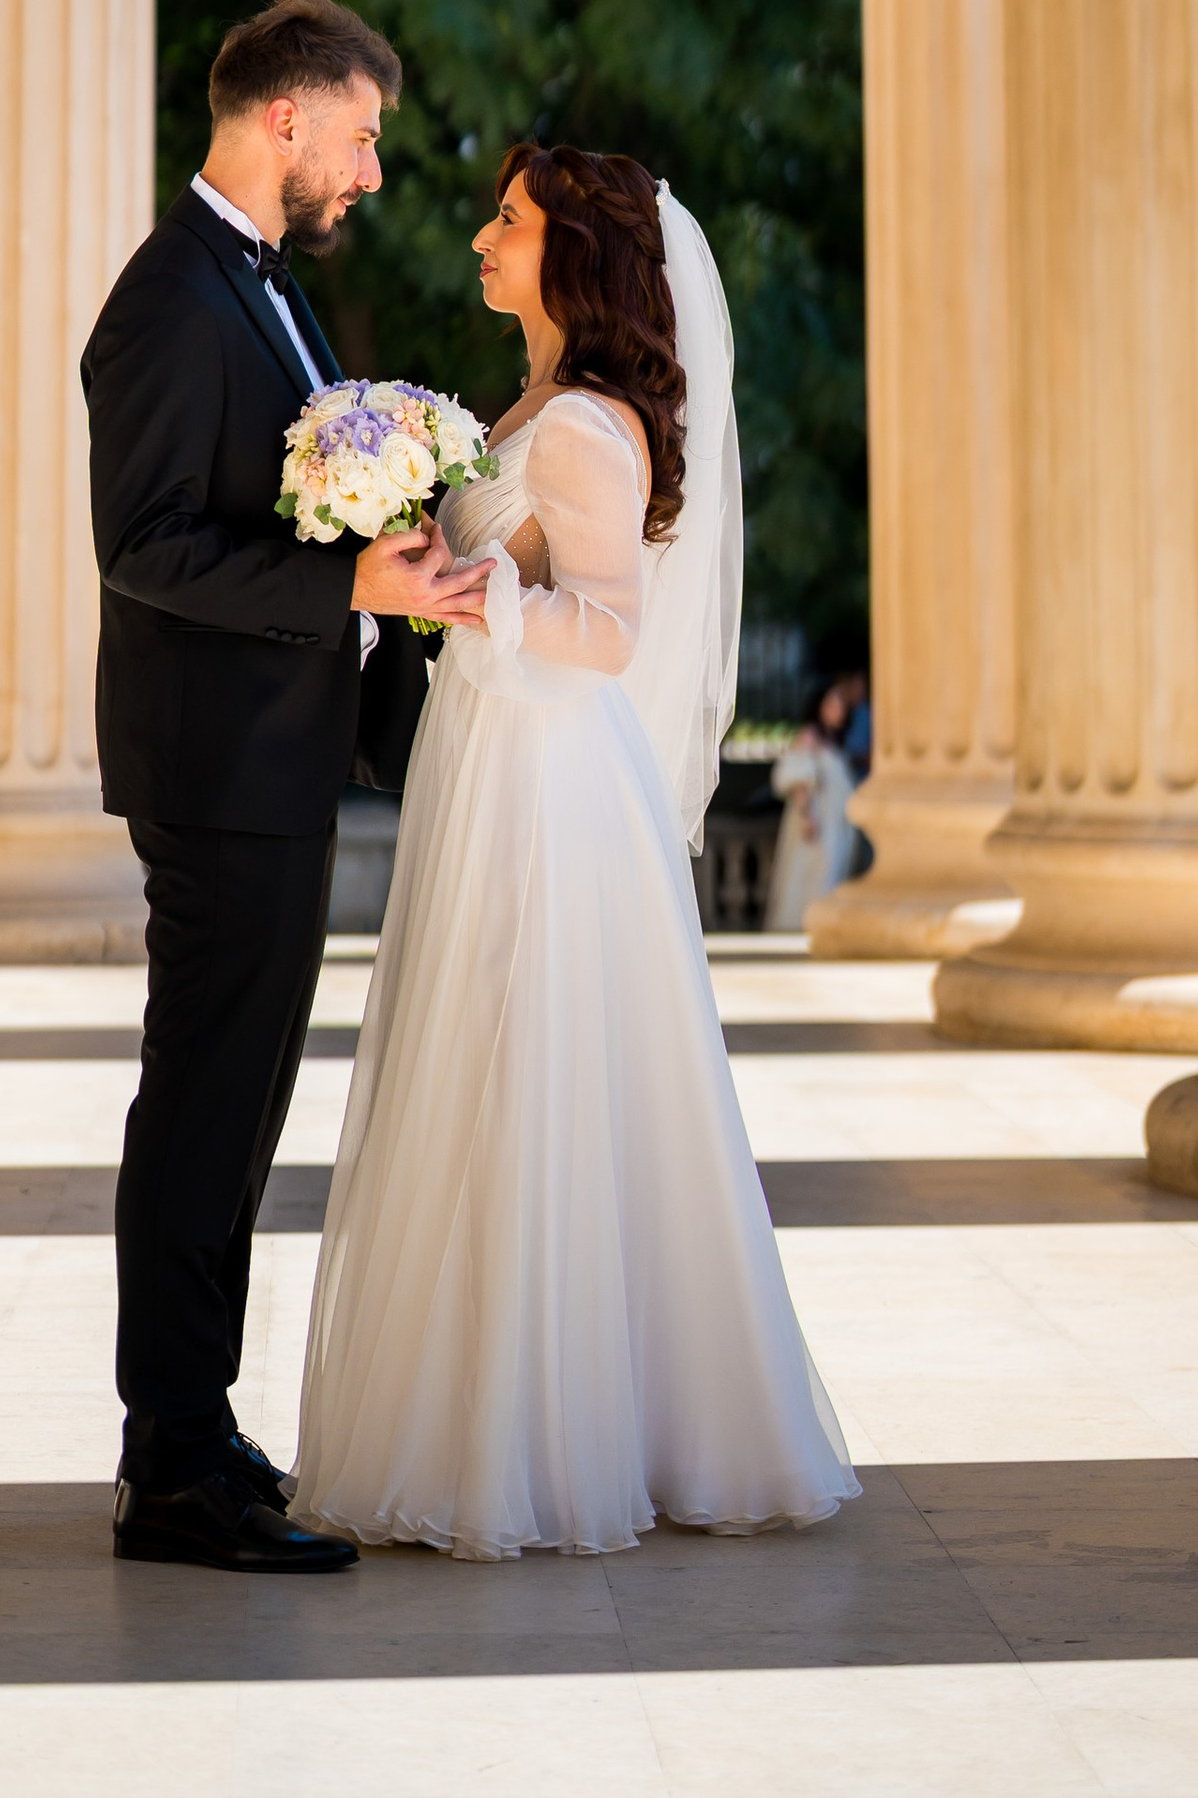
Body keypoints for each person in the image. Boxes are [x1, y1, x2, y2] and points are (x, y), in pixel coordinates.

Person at [290, 141, 860, 1558]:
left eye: (511, 219)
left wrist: (488, 607)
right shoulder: (527, 406)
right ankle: (473, 1402)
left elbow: (608, 631)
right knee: (474, 1062)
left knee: (538, 1065)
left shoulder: (594, 428)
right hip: (492, 754)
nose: (482, 236)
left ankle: (552, 1434)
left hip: (552, 775)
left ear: (576, 256)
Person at [81, 0, 491, 1575]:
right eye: (366, 137)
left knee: (242, 1108)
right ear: (286, 122)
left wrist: (393, 577)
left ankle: (195, 1423)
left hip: (278, 764)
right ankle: (169, 1463)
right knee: (201, 1108)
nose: (373, 174)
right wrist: (349, 600)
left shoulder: (264, 292)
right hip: (217, 773)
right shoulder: (173, 298)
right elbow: (148, 547)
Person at [769, 684, 859, 930]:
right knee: (812, 875)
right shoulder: (809, 737)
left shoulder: (834, 743)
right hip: (817, 822)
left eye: (841, 705)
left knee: (830, 874)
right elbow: (799, 779)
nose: (837, 710)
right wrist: (807, 816)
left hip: (835, 823)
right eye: (831, 704)